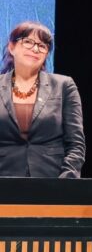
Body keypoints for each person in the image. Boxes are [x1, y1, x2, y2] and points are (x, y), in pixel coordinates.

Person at [0, 21, 85, 177]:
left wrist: (67, 180)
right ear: (12, 47)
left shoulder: (64, 86)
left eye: (42, 45)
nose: (35, 49)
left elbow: (76, 144)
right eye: (28, 42)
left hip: (52, 181)